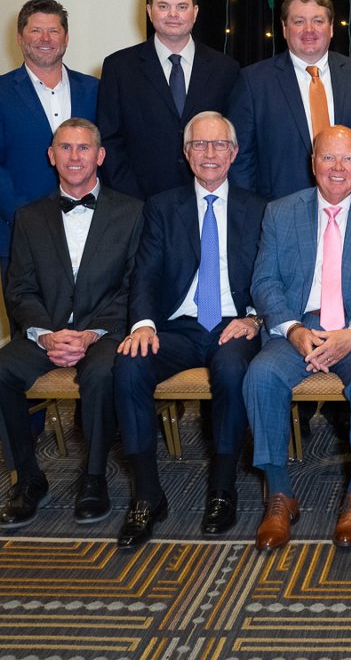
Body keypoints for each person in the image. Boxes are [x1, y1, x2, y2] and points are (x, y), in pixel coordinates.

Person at [0, 119, 143, 529]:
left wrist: (88, 334)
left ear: (100, 156)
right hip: (46, 332)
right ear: (51, 156)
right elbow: (20, 289)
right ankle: (28, 478)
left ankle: (94, 476)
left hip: (103, 331)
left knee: (104, 372)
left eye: (83, 148)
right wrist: (47, 335)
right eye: (65, 148)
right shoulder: (29, 217)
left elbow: (134, 287)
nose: (74, 156)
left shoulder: (133, 212)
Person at [244, 126, 351, 550]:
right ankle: (280, 494)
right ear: (313, 162)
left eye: (348, 158)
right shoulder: (280, 212)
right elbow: (264, 281)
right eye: (328, 158)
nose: (338, 168)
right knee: (260, 376)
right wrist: (293, 329)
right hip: (299, 326)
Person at [113, 112, 268, 548]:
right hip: (176, 326)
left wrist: (255, 317)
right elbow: (144, 274)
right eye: (200, 145)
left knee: (233, 371)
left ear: (234, 153)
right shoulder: (162, 207)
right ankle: (147, 494)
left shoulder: (260, 209)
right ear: (186, 154)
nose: (210, 153)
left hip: (234, 323)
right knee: (127, 364)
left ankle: (222, 489)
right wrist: (142, 324)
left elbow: (273, 276)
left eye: (219, 145)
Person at [0, 0, 98, 283]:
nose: (45, 39)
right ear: (19, 38)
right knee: (30, 326)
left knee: (91, 326)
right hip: (21, 233)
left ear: (66, 38)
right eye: (35, 31)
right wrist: (29, 220)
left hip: (92, 234)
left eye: (53, 31)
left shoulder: (94, 90)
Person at [97, 0, 241, 199]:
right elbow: (109, 139)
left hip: (207, 200)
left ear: (195, 12)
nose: (173, 14)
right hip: (139, 202)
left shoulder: (226, 69)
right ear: (149, 11)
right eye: (163, 6)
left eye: (181, 7)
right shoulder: (119, 67)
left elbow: (234, 141)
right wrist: (130, 199)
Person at [229, 0, 351, 201]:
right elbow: (241, 160)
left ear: (331, 27)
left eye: (318, 21)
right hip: (279, 214)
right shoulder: (253, 82)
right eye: (299, 22)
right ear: (284, 28)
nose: (309, 30)